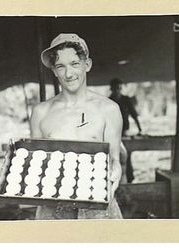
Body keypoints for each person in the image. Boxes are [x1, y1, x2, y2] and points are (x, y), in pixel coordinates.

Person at [30, 33, 124, 219]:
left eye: (74, 64)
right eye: (60, 66)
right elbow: (35, 163)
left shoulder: (109, 109)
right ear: (54, 71)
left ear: (86, 64)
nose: (68, 73)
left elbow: (114, 159)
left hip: (98, 208)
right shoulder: (41, 112)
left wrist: (115, 173)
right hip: (53, 210)